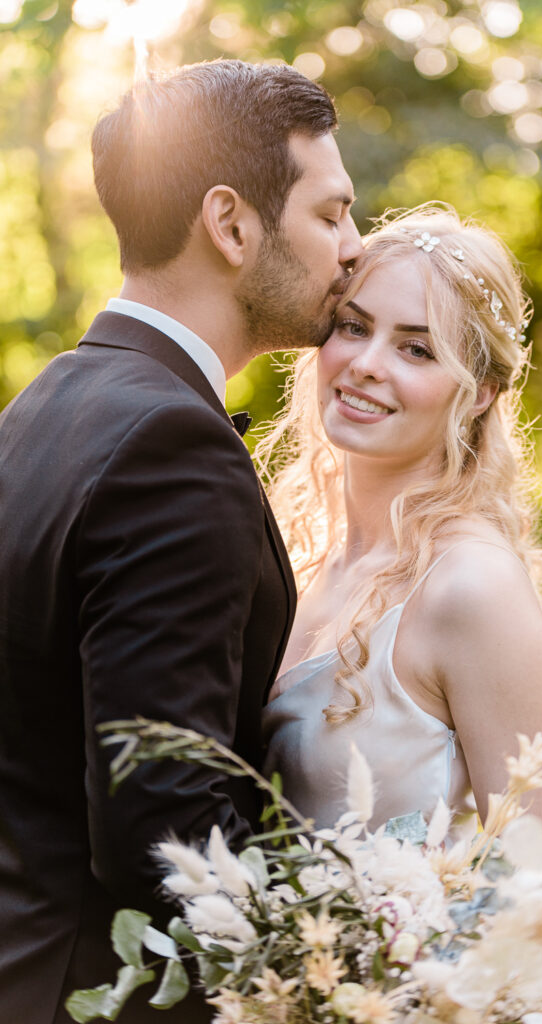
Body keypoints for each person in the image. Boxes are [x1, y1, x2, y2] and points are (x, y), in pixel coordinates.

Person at [0, 59, 361, 1023]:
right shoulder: (172, 444)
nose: (352, 249)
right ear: (231, 223)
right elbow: (163, 818)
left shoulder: (44, 403)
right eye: (331, 215)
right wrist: (344, 963)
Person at [260, 205, 542, 846]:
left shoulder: (470, 585)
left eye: (416, 348)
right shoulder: (295, 549)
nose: (368, 363)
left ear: (480, 392)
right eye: (354, 327)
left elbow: (540, 881)